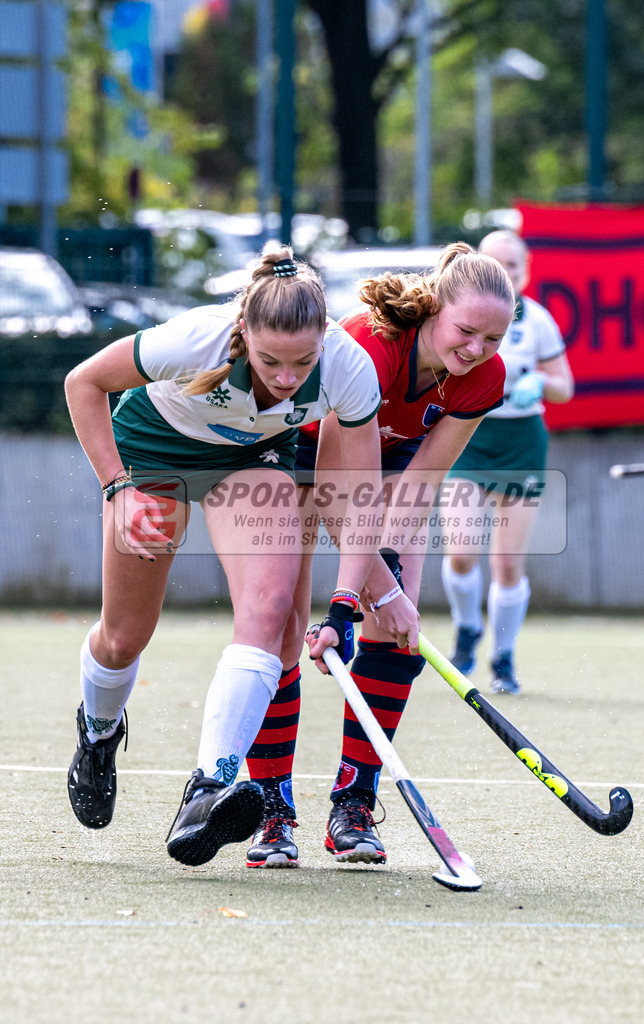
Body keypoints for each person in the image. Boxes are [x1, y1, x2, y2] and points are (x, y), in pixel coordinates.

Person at [64, 244, 415, 868]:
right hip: (153, 448)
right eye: (271, 361)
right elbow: (83, 382)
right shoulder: (194, 339)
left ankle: (209, 785)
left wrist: (343, 605)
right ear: (243, 332)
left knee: (272, 606)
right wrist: (116, 488)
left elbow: (357, 501)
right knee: (124, 637)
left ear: (323, 341)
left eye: (302, 363)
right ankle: (97, 731)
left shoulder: (348, 366)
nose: (286, 378)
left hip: (253, 461)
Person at [243, 241, 516, 869]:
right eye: (466, 330)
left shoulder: (484, 377)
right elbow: (339, 487)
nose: (476, 349)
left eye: (493, 339)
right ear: (434, 308)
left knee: (397, 638)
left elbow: (421, 479)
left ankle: (354, 802)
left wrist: (390, 591)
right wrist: (371, 591)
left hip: (387, 472)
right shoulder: (372, 343)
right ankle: (271, 808)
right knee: (281, 620)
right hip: (296, 456)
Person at [441, 229, 574, 695]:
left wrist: (538, 380)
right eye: (496, 264)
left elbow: (565, 386)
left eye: (513, 266)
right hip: (467, 436)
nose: (506, 274)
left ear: (526, 270)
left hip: (520, 442)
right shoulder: (454, 317)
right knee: (460, 551)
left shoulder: (536, 320)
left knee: (507, 564)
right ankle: (466, 628)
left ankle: (503, 657)